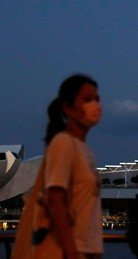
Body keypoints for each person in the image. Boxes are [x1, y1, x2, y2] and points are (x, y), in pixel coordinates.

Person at [43, 74, 103, 259]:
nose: (95, 105)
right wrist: (71, 252)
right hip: (72, 251)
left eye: (96, 99)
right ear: (68, 107)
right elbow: (56, 201)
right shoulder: (63, 143)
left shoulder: (84, 149)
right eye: (87, 99)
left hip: (88, 249)